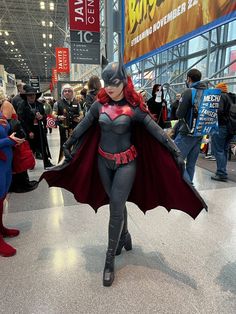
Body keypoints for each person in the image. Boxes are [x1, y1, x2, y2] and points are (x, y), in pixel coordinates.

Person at [40, 59, 207, 287]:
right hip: (102, 161)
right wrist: (70, 141)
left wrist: (176, 152)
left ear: (124, 81)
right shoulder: (99, 106)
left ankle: (109, 259)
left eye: (114, 81)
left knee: (116, 206)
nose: (109, 86)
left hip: (127, 163)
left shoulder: (135, 108)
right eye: (106, 81)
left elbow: (156, 131)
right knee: (115, 202)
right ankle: (125, 235)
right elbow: (85, 125)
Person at [0, 88, 38, 193]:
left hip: (13, 134)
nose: (31, 96)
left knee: (18, 159)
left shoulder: (5, 104)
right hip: (9, 136)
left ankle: (19, 184)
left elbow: (5, 124)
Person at [174, 69, 207, 184]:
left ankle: (189, 185)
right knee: (191, 163)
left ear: (189, 78)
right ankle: (190, 188)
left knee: (175, 160)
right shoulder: (207, 91)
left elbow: (179, 114)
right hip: (200, 132)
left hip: (187, 131)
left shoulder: (188, 92)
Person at [0, 114, 25, 256]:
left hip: (6, 162)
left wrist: (13, 138)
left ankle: (1, 228)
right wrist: (7, 141)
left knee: (2, 196)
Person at [17, 85, 53, 169]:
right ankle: (30, 164)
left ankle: (46, 162)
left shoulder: (39, 105)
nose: (32, 96)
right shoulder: (22, 106)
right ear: (26, 96)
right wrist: (29, 131)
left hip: (39, 129)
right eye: (29, 95)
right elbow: (21, 121)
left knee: (43, 145)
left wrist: (42, 117)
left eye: (33, 94)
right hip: (28, 129)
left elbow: (44, 116)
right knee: (30, 148)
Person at [52, 84, 84, 162]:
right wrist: (58, 117)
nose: (67, 92)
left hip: (75, 128)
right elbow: (53, 114)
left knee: (76, 145)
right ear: (62, 93)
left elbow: (81, 113)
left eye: (69, 91)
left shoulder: (77, 103)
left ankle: (75, 162)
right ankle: (64, 162)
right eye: (65, 91)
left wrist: (80, 118)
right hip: (64, 128)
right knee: (65, 145)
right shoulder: (58, 103)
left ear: (72, 92)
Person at [211, 82, 233, 182]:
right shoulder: (231, 97)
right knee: (224, 150)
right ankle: (222, 171)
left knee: (218, 150)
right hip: (231, 128)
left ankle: (221, 173)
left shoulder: (220, 97)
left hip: (221, 126)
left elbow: (219, 111)